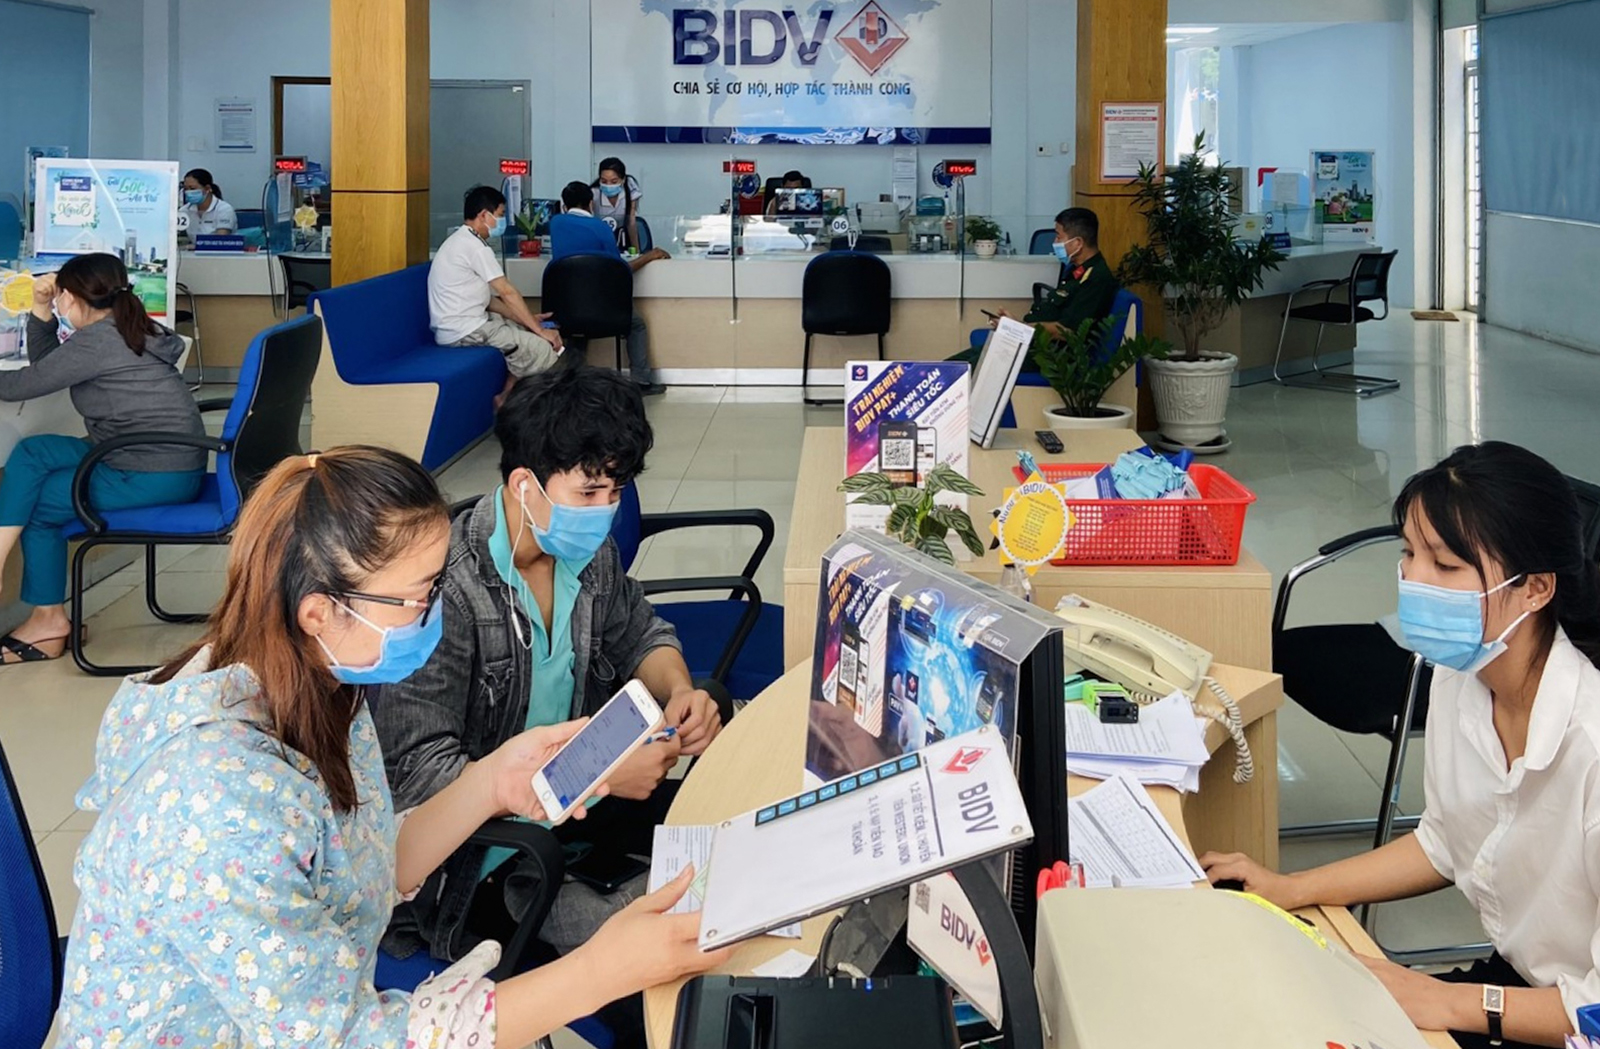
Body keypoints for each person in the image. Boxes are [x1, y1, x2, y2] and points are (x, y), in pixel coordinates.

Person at [54, 446, 729, 1047]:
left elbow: (363, 862)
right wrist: (601, 969)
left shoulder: (322, 682)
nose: (436, 610)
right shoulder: (213, 798)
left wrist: (494, 781)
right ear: (321, 611)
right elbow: (347, 1038)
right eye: (420, 596)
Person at [372, 366, 728, 1045]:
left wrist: (680, 689)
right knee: (672, 985)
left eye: (616, 491)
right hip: (483, 866)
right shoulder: (445, 589)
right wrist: (598, 773)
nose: (605, 509)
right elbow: (419, 779)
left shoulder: (584, 554)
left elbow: (640, 633)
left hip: (577, 822)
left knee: (724, 866)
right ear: (524, 485)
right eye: (588, 492)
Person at [1202, 442, 1600, 1049]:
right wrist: (1290, 888)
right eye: (1410, 553)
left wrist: (1442, 998)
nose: (1413, 579)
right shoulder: (1461, 679)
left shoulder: (1591, 745)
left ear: (1536, 589)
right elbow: (1445, 842)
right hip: (1522, 990)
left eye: (1446, 566)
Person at [0, 253, 204, 665]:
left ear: (74, 298)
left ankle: (48, 624)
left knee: (38, 506)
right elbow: (50, 368)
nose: (58, 302)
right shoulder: (132, 328)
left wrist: (43, 310)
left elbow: (19, 385)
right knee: (34, 451)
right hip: (155, 457)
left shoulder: (98, 341)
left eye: (59, 296)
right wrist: (41, 309)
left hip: (146, 471)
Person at [429, 185, 564, 400]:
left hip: (462, 325)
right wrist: (540, 331)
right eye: (500, 215)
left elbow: (487, 300)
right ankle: (511, 403)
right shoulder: (475, 248)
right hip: (464, 331)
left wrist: (527, 320)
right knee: (542, 348)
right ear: (484, 215)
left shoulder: (460, 240)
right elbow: (507, 292)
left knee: (525, 332)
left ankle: (505, 398)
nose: (502, 222)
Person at [950, 206, 1120, 371]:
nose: (1054, 243)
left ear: (1077, 243)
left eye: (1058, 237)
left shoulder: (1096, 279)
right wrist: (1016, 327)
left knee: (970, 367)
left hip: (1054, 357)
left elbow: (1066, 331)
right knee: (958, 363)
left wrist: (1019, 328)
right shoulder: (1076, 270)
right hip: (1037, 344)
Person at [550, 180, 669, 395]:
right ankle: (641, 381)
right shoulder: (601, 228)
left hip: (568, 306)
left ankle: (572, 380)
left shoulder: (555, 223)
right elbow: (618, 269)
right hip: (604, 307)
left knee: (576, 329)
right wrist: (650, 256)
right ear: (591, 203)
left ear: (564, 205)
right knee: (636, 324)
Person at [592, 156, 643, 251]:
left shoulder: (630, 189)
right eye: (604, 181)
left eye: (614, 181)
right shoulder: (593, 193)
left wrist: (636, 251)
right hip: (598, 237)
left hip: (622, 236)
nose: (608, 185)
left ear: (623, 180)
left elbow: (631, 222)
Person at [181, 168, 236, 236]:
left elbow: (221, 238)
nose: (188, 192)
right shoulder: (184, 210)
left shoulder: (224, 209)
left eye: (192, 188)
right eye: (186, 189)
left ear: (207, 188)